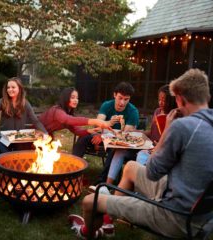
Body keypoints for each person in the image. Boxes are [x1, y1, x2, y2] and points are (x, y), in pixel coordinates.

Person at [68, 68, 213, 239]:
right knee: (130, 167)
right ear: (206, 97)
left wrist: (167, 129)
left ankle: (86, 232)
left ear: (180, 99)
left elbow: (152, 172)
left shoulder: (183, 127)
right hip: (200, 213)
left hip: (173, 214)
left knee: (89, 202)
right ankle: (108, 221)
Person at [104, 84, 177, 185]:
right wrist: (138, 132)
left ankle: (134, 187)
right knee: (119, 151)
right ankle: (108, 184)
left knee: (142, 155)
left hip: (157, 151)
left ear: (171, 101)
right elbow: (152, 132)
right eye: (159, 99)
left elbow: (172, 140)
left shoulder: (174, 116)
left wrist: (158, 147)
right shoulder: (157, 111)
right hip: (147, 145)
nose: (160, 102)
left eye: (164, 100)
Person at [73, 82, 139, 184]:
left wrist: (104, 137)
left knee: (114, 147)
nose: (122, 103)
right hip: (102, 136)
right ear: (114, 95)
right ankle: (73, 171)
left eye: (126, 99)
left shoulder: (133, 111)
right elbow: (98, 125)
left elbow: (124, 135)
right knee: (82, 138)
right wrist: (103, 131)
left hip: (117, 143)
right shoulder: (107, 105)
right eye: (120, 98)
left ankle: (102, 182)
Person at [0, 77, 48, 153]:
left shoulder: (25, 104)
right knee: (5, 150)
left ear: (19, 89)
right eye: (8, 87)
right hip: (3, 137)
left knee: (23, 153)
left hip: (18, 138)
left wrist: (45, 132)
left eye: (13, 87)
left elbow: (35, 120)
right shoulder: (3, 101)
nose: (10, 89)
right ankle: (5, 162)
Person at [38, 87, 112, 139]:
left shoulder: (67, 114)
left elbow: (76, 131)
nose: (76, 100)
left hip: (46, 136)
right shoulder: (57, 111)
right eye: (72, 97)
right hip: (35, 134)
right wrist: (95, 121)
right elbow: (67, 119)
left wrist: (91, 130)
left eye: (77, 98)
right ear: (66, 98)